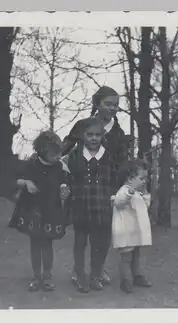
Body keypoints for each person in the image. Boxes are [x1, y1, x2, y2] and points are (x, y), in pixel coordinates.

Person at [62, 85, 130, 286]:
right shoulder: (83, 125)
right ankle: (79, 270)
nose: (112, 108)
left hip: (107, 187)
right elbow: (66, 147)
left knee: (103, 233)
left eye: (116, 105)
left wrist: (120, 189)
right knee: (82, 234)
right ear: (96, 104)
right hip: (84, 187)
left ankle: (98, 270)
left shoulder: (118, 132)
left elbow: (121, 163)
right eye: (108, 104)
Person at [8, 130, 71, 292]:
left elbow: (64, 182)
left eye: (59, 152)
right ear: (43, 150)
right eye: (54, 153)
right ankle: (36, 276)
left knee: (47, 243)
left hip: (51, 209)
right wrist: (27, 182)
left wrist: (64, 188)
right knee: (35, 243)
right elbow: (16, 180)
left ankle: (47, 276)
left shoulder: (60, 166)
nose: (58, 156)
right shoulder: (31, 164)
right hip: (33, 209)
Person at [65, 117, 118, 293]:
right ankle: (79, 275)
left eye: (97, 135)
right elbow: (67, 177)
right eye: (90, 134)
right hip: (80, 206)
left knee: (100, 244)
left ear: (102, 136)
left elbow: (113, 180)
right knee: (80, 243)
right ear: (83, 135)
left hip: (101, 208)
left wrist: (112, 198)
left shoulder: (108, 156)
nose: (94, 138)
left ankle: (96, 275)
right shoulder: (74, 156)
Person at [112, 159, 153, 293]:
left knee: (136, 255)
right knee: (126, 257)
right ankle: (125, 280)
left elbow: (144, 208)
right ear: (130, 179)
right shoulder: (124, 191)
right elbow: (119, 202)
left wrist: (146, 196)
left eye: (145, 178)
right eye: (141, 178)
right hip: (126, 231)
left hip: (135, 231)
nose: (144, 181)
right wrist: (129, 192)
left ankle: (137, 276)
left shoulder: (137, 193)